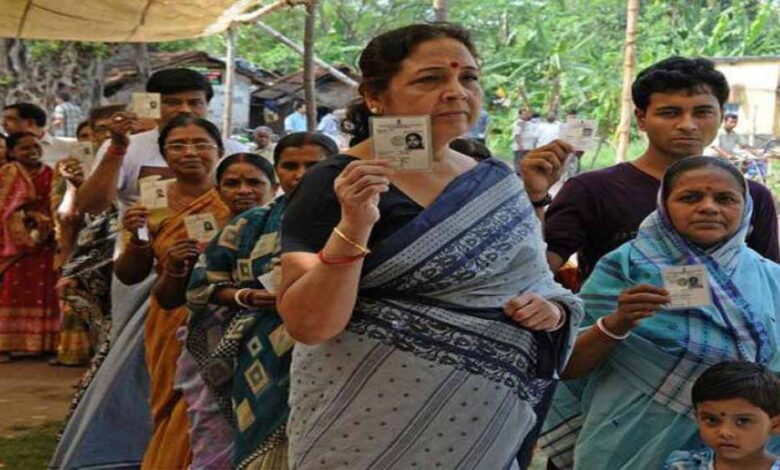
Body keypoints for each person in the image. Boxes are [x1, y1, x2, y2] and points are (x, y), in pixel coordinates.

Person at [277, 23, 583, 469]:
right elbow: (309, 325)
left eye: (468, 77)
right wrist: (355, 224)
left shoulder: (491, 178)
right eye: (431, 78)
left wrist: (550, 310)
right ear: (375, 96)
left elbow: (533, 277)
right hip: (366, 426)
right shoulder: (338, 182)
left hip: (481, 424)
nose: (457, 92)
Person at [540, 157, 780, 469]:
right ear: (664, 205)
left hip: (741, 447)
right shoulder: (625, 266)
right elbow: (568, 364)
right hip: (630, 439)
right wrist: (617, 323)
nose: (708, 207)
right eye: (690, 197)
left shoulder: (770, 277)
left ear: (745, 207)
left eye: (725, 199)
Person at [527, 57, 779, 284]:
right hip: (615, 321)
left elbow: (769, 283)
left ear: (721, 116)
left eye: (702, 112)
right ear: (641, 118)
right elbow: (536, 273)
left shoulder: (752, 197)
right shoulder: (592, 190)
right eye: (670, 113)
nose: (687, 125)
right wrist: (536, 197)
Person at [185, 132, 338, 469]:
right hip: (263, 353)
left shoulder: (357, 220)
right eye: (290, 166)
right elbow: (201, 285)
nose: (300, 174)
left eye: (313, 165)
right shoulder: (250, 223)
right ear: (277, 171)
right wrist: (248, 296)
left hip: (334, 344)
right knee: (261, 434)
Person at [114, 114, 232, 469]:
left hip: (226, 317)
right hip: (170, 315)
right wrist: (136, 239)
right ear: (164, 154)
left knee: (215, 402)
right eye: (177, 145)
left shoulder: (236, 192)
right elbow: (130, 274)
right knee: (173, 402)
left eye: (200, 144)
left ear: (219, 150)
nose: (189, 152)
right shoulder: (154, 198)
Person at [76, 68, 246, 216]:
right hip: (141, 244)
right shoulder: (123, 147)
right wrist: (117, 149)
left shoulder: (234, 150)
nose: (185, 110)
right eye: (172, 103)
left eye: (195, 103)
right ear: (152, 105)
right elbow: (91, 206)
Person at [0, 132, 67, 361]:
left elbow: (58, 204)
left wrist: (50, 225)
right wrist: (27, 216)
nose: (32, 152)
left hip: (45, 242)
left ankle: (44, 344)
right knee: (12, 290)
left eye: (36, 147)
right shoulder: (7, 174)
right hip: (16, 245)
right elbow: (3, 208)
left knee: (45, 291)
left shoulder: (51, 173)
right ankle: (6, 344)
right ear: (12, 152)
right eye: (25, 148)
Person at [664, 361, 780, 470]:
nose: (725, 432)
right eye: (712, 420)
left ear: (775, 425)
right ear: (698, 419)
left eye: (743, 421)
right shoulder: (682, 466)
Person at [3, 102, 76, 166]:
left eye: (10, 119)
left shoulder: (69, 147)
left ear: (30, 123)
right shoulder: (3, 147)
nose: (4, 124)